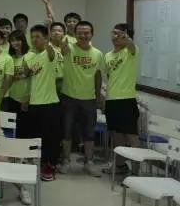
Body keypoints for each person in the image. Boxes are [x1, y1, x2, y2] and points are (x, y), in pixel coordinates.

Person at [59, 21, 104, 177]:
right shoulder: (68, 49)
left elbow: (98, 75)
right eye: (80, 33)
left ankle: (89, 162)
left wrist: (98, 95)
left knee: (89, 133)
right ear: (75, 34)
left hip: (89, 99)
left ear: (92, 34)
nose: (83, 36)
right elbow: (62, 48)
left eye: (86, 33)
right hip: (69, 97)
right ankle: (66, 161)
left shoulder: (98, 53)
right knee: (66, 132)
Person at [24, 25, 61, 181]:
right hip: (34, 103)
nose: (34, 40)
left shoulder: (51, 53)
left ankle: (51, 166)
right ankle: (40, 164)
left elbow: (50, 52)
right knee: (36, 136)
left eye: (38, 37)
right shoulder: (30, 58)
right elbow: (28, 77)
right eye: (32, 37)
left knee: (50, 138)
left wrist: (49, 26)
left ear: (46, 38)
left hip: (49, 103)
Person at [102, 23, 140, 175]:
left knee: (131, 137)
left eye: (120, 34)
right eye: (114, 33)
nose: (116, 37)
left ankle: (136, 173)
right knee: (116, 135)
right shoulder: (107, 56)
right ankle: (120, 166)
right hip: (111, 101)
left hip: (126, 100)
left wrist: (127, 39)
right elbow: (110, 77)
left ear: (127, 36)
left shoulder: (131, 50)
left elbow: (130, 44)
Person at [3, 30, 31, 138]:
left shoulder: (29, 56)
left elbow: (33, 79)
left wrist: (27, 99)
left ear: (23, 40)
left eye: (18, 40)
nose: (15, 43)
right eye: (13, 40)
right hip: (11, 98)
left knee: (24, 129)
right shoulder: (9, 58)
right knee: (11, 129)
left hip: (25, 98)